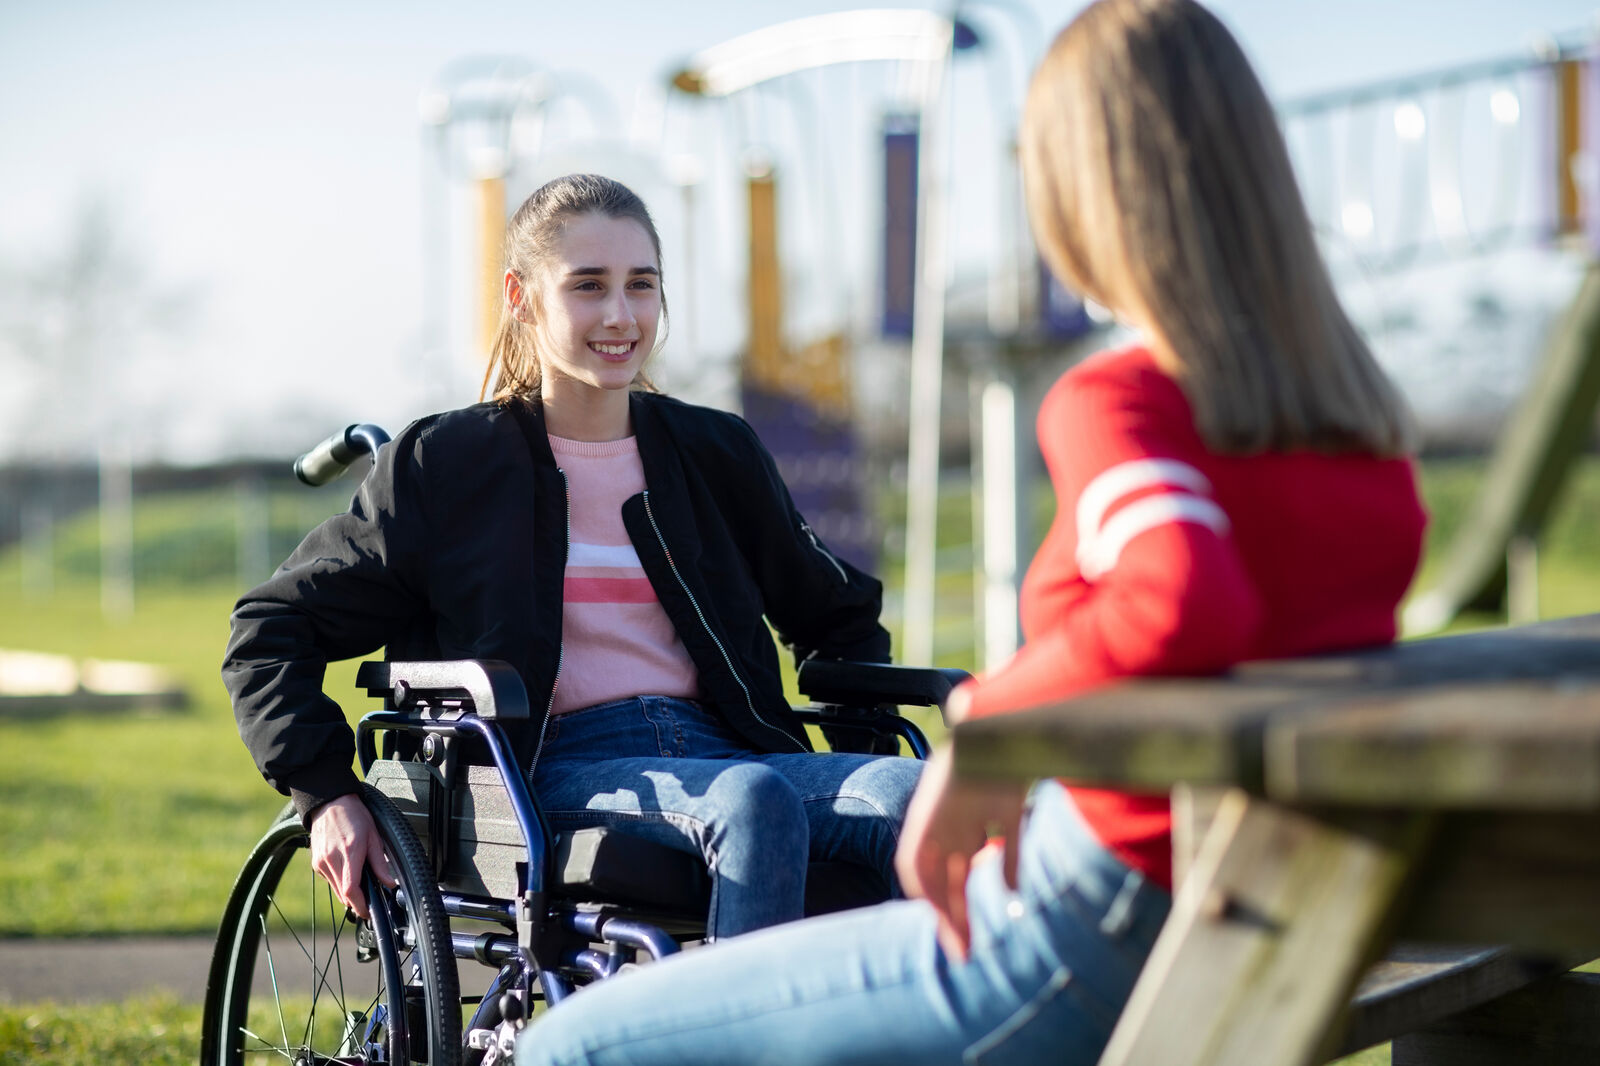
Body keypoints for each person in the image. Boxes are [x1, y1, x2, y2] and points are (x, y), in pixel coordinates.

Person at [510, 1, 1428, 1063]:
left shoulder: (1122, 402)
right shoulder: (1360, 428)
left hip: (1092, 920)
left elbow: (1182, 595)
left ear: (1087, 194)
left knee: (567, 1047)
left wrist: (993, 725)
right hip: (1277, 911)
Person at [222, 173, 923, 942]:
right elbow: (271, 626)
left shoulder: (716, 452)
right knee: (752, 801)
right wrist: (325, 792)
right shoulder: (448, 463)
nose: (621, 315)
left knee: (909, 791)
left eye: (641, 285)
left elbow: (838, 614)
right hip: (543, 768)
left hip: (731, 748)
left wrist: (861, 754)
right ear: (521, 297)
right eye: (588, 286)